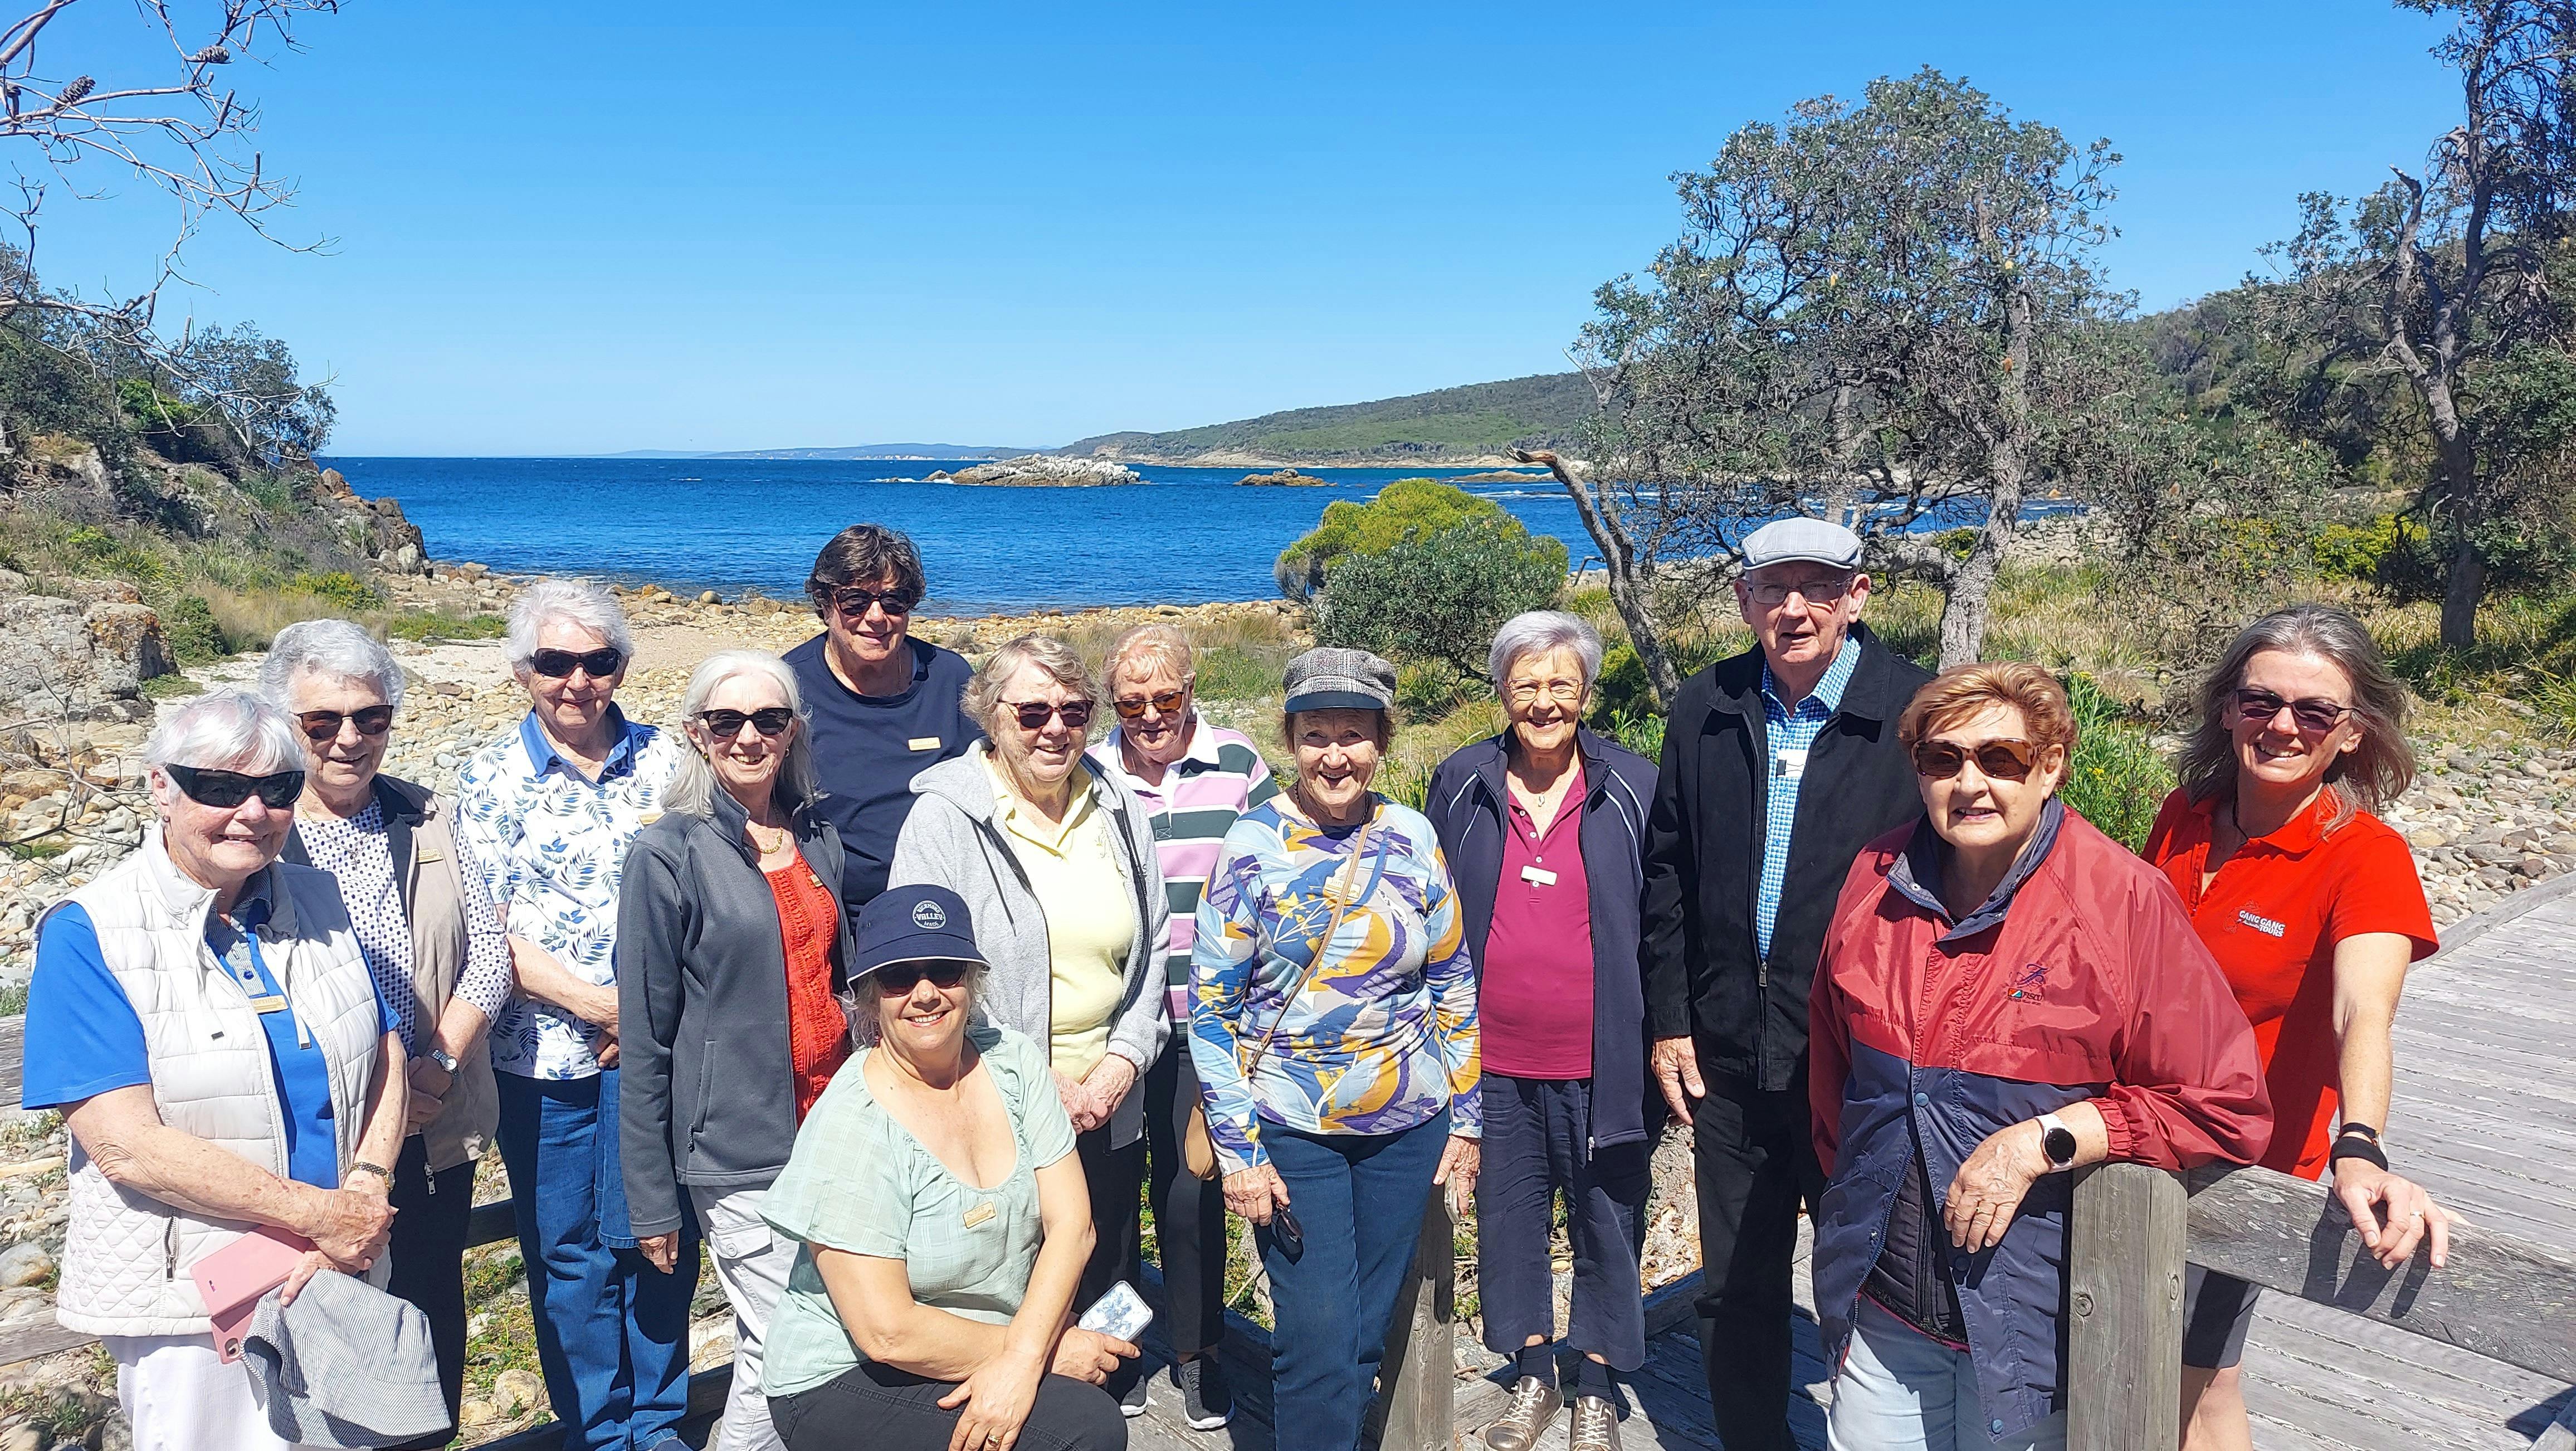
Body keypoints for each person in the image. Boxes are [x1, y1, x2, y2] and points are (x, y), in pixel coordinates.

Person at [1808, 663, 2272, 1451]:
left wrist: (2044, 1141)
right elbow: (1832, 1084)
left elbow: (2223, 1104)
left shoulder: (2122, 902)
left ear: (2052, 766)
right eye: (1943, 759)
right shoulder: (1874, 879)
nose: (1970, 784)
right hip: (1882, 1313)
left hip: (2034, 1336)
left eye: (2002, 759)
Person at [21, 690, 408, 1451]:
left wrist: (364, 1186)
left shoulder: (319, 899)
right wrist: (316, 1217)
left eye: (278, 789)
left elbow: (386, 1053)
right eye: (222, 788)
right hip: (198, 1296)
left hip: (339, 1264)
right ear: (162, 787)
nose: (253, 812)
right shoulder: (89, 932)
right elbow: (125, 1145)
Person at [1637, 515, 1934, 1451]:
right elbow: (1665, 875)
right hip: (1725, 1049)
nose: (1792, 606)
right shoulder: (1705, 704)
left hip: (1856, 1062)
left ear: (1858, 595)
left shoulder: (1913, 712)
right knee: (1734, 1286)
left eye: (1816, 584)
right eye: (1772, 586)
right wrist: (1671, 1021)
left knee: (1877, 1285)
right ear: (1742, 599)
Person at [2143, 606, 2451, 1451]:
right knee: (2203, 1385)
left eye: (2314, 712)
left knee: (2161, 1388)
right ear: (2226, 708)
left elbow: (2364, 1008)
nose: (2283, 725)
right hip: (2140, 1139)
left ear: (2352, 734)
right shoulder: (2185, 814)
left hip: (2241, 1165)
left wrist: (2363, 1142)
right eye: (2260, 701)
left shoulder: (2364, 853)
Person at [1192, 646, 1481, 1451]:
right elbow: (1210, 1012)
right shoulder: (1253, 844)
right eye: (1316, 734)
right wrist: (1241, 1153)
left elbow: (1453, 979)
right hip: (1290, 1132)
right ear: (1290, 741)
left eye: (1353, 735)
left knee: (1361, 1338)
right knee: (1317, 1341)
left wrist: (1468, 1120)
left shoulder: (1414, 835)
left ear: (1381, 741)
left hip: (1406, 1129)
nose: (1335, 755)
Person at [889, 634, 1169, 1416]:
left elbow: (1154, 951)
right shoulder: (944, 819)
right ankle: (1028, 1399)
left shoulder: (1114, 803)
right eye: (1034, 711)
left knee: (1108, 1247)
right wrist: (1039, 1080)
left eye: (1075, 712)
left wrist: (1121, 1064)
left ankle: (1106, 1394)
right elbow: (926, 981)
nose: (1056, 729)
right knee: (1012, 1262)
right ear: (989, 716)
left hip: (1110, 1096)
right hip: (1002, 1100)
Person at [453, 578, 700, 1451]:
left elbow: (704, 893)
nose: (577, 682)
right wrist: (601, 1006)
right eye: (555, 662)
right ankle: (600, 1430)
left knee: (658, 1240)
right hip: (545, 1064)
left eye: (597, 663)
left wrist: (645, 1020)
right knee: (570, 1254)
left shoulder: (671, 761)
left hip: (655, 1058)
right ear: (524, 670)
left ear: (621, 667)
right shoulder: (489, 780)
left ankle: (661, 1425)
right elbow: (487, 931)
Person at [758, 882, 1135, 1451]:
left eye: (945, 970)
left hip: (979, 1340)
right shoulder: (854, 1120)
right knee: (1083, 1427)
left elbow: (1072, 1227)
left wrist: (1023, 1359)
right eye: (899, 977)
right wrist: (1043, 1354)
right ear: (868, 997)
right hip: (848, 1374)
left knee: (1092, 1393)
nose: (926, 993)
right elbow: (885, 1331)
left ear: (972, 980)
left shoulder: (1013, 1062)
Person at [263, 620, 514, 1449]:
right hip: (316, 1139)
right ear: (283, 722)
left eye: (371, 717)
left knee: (431, 1314)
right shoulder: (255, 827)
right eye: (322, 722)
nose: (349, 738)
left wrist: (435, 1066)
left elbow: (488, 952)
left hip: (430, 1123)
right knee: (316, 1322)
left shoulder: (423, 814)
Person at [1424, 612, 1657, 1451]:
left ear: (1586, 691)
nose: (1545, 701)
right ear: (1502, 693)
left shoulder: (1633, 785)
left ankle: (1597, 1382)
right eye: (1527, 685)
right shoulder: (1460, 781)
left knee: (1607, 1221)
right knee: (1509, 1219)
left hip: (1606, 1062)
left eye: (1561, 683)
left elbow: (1666, 923)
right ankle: (1532, 1374)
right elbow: (1432, 913)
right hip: (1492, 1063)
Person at [621, 650, 858, 1451]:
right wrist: (651, 1197)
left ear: (794, 732)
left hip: (834, 1132)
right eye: (728, 721)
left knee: (836, 1331)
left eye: (770, 719)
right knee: (779, 1345)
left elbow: (841, 981)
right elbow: (647, 1039)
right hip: (737, 1148)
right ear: (697, 734)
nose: (750, 737)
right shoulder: (667, 855)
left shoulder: (816, 835)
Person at [1079, 622, 1275, 1431]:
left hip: (1207, 1024)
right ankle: (1118, 1348)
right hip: (1114, 1023)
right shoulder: (1089, 768)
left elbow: (1276, 869)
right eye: (1132, 703)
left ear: (1193, 691)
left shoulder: (1238, 765)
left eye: (1167, 698)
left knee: (1192, 1194)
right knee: (1110, 1198)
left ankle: (1199, 1357)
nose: (1152, 716)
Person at [782, 524, 983, 915]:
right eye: (855, 601)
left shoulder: (949, 678)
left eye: (894, 601)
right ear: (825, 605)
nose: (877, 617)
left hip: (945, 900)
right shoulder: (790, 687)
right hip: (837, 911)